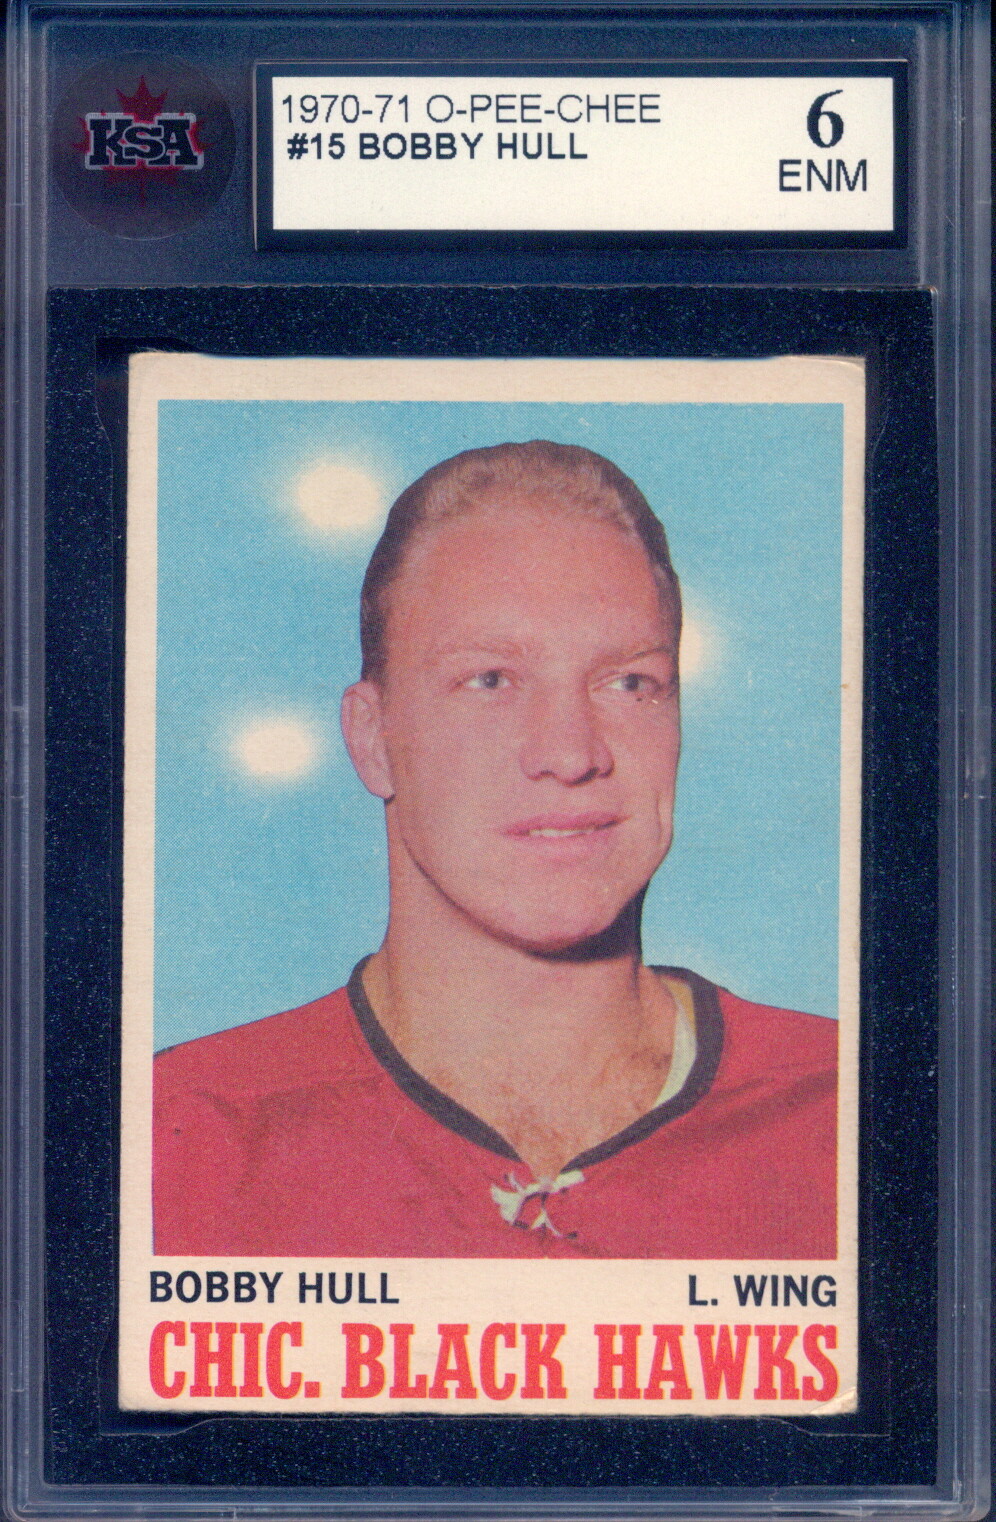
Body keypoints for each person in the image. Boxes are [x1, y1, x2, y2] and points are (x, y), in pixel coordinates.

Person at [153, 441, 837, 1258]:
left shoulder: (851, 1109)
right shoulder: (181, 1138)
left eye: (629, 682)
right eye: (491, 680)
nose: (570, 752)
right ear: (372, 739)